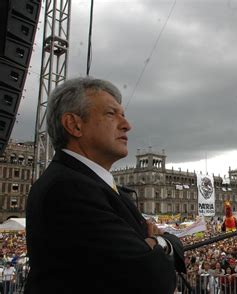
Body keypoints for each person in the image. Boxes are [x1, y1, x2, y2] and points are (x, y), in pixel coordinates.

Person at [25, 77, 185, 293]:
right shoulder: (68, 189)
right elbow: (152, 279)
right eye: (111, 114)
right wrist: (161, 243)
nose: (127, 125)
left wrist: (155, 245)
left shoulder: (92, 184)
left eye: (124, 115)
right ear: (74, 125)